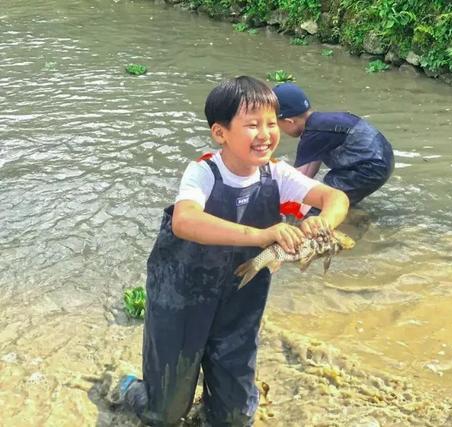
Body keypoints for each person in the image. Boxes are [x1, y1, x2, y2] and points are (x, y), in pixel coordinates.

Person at [118, 76, 349, 426]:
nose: (266, 134)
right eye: (252, 125)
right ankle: (129, 387)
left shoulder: (278, 174)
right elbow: (185, 221)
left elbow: (336, 197)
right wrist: (261, 235)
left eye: (272, 123)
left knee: (234, 418)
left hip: (241, 300)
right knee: (164, 414)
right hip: (181, 296)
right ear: (220, 133)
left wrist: (323, 223)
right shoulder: (203, 171)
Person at [272, 83, 394, 208]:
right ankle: (352, 214)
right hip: (383, 158)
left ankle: (352, 221)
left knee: (318, 205)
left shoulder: (312, 135)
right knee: (328, 192)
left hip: (369, 168)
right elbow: (310, 171)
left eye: (276, 124)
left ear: (289, 121)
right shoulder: (322, 123)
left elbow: (298, 180)